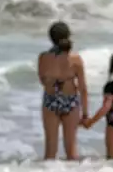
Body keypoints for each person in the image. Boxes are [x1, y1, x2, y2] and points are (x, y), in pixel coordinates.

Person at [36, 22, 87, 160]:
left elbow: (42, 80)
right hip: (70, 101)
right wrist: (86, 113)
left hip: (50, 101)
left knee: (50, 151)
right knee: (71, 151)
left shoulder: (43, 58)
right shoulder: (76, 59)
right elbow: (83, 88)